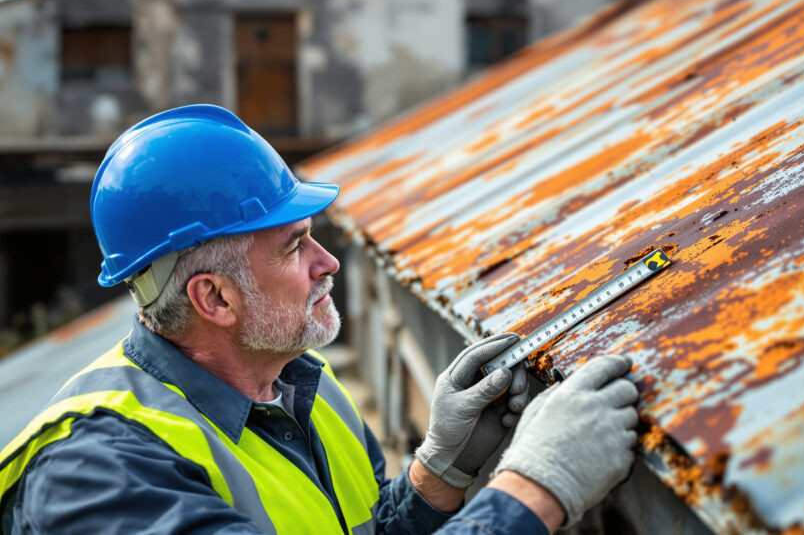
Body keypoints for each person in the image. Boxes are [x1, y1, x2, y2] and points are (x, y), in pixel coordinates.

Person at [0, 105, 641, 534]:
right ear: (215, 300)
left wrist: (434, 477)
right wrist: (535, 491)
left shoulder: (300, 384)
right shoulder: (97, 476)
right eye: (294, 246)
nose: (328, 262)